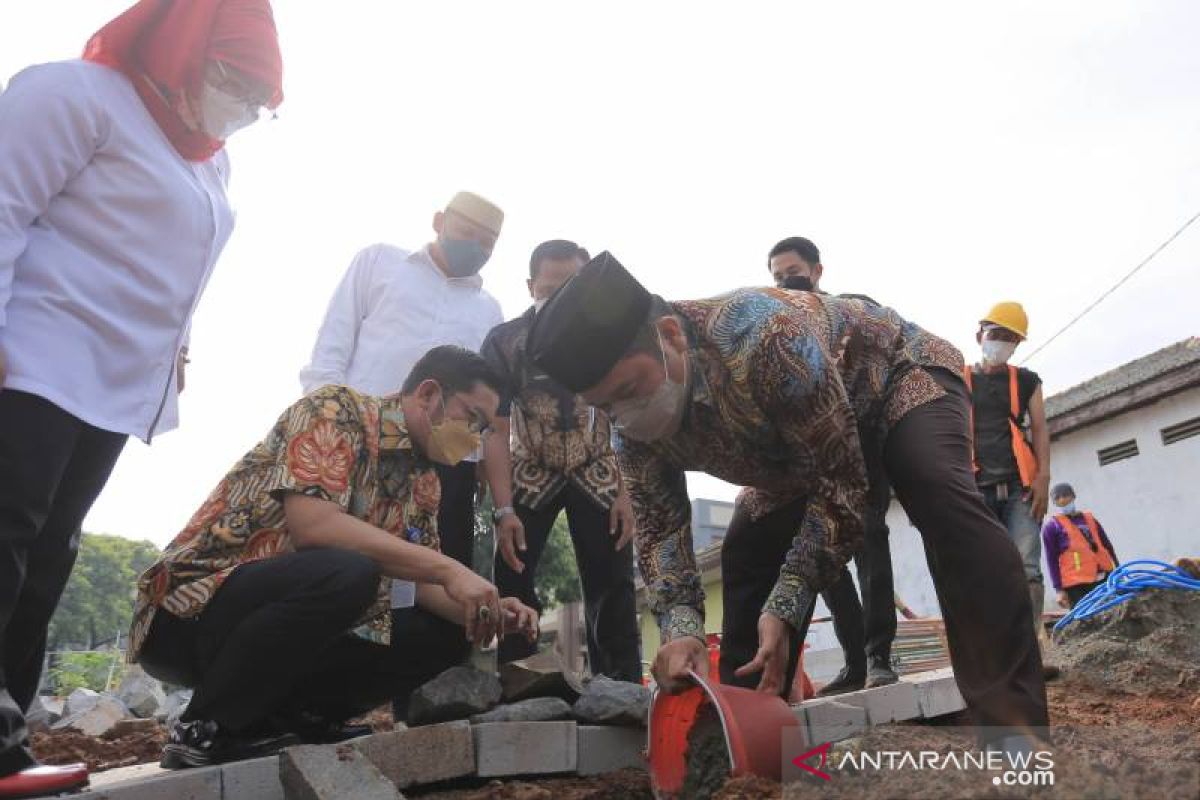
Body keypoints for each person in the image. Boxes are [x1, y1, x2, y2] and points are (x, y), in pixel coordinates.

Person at [526, 253, 1048, 748]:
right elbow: (662, 534)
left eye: (630, 387)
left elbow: (843, 487)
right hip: (799, 448)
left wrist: (790, 599)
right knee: (746, 550)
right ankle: (744, 733)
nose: (626, 414)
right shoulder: (627, 432)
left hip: (893, 379)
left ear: (669, 337)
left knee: (937, 493)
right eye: (606, 406)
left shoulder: (763, 337)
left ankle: (1013, 734)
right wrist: (680, 632)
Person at [0, 1, 283, 794]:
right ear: (182, 49)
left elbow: (179, 259)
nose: (242, 106)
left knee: (48, 550)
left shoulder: (208, 157)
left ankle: (6, 738)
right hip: (32, 356)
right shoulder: (75, 96)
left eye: (259, 98)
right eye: (234, 79)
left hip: (115, 384)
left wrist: (175, 345)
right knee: (5, 534)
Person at [131, 346, 538, 768]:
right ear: (428, 394)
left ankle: (304, 717)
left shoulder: (424, 482)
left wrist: (486, 606)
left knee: (452, 631)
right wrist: (450, 568)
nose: (473, 440)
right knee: (349, 571)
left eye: (483, 430)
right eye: (471, 418)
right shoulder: (336, 410)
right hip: (189, 614)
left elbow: (420, 582)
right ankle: (206, 726)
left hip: (274, 627)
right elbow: (315, 527)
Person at [298, 191, 505, 713]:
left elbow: (484, 402)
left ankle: (418, 703)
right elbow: (334, 344)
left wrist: (475, 458)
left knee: (436, 574)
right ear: (438, 221)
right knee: (342, 564)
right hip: (355, 442)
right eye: (468, 232)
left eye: (488, 242)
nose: (476, 247)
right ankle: (310, 692)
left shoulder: (488, 309)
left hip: (441, 460)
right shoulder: (380, 263)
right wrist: (322, 417)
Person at [480, 240, 642, 682]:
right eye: (550, 290)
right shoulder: (505, 341)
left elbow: (631, 414)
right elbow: (493, 430)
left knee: (614, 582)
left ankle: (622, 688)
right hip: (532, 466)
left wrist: (630, 493)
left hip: (599, 466)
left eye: (573, 287)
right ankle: (518, 683)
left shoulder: (615, 331)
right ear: (531, 286)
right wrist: (504, 509)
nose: (561, 300)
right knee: (511, 569)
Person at [765, 237, 898, 693]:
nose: (786, 280)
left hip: (862, 451)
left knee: (871, 548)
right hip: (809, 464)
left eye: (793, 271)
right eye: (778, 275)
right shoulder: (773, 327)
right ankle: (854, 661)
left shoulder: (849, 313)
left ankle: (879, 658)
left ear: (817, 270)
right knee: (827, 564)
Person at [963, 303, 1053, 653]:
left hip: (1021, 489)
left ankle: (1032, 647)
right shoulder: (959, 379)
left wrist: (1044, 476)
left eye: (1009, 338)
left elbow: (1041, 429)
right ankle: (996, 650)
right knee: (985, 571)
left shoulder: (1026, 380)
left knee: (1028, 570)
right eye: (995, 334)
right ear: (979, 335)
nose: (1000, 343)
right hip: (975, 489)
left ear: (1017, 345)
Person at [1041, 483, 1119, 609]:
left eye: (1065, 496)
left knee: (1113, 612)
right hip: (1077, 586)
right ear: (1054, 503)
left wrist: (1118, 569)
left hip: (1104, 577)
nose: (1062, 500)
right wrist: (1059, 590)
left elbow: (1107, 545)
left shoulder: (1090, 519)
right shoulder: (1051, 527)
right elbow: (1051, 560)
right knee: (1086, 620)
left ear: (1073, 496)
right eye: (1058, 498)